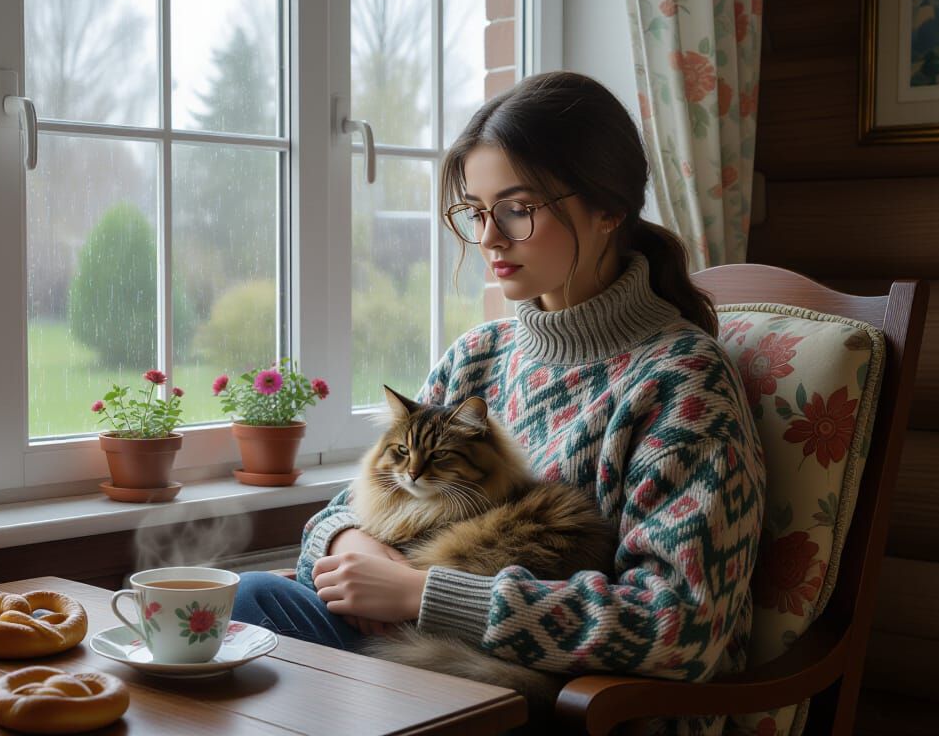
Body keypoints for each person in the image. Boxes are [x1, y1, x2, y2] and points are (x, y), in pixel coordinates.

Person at [232, 71, 765, 733]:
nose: (487, 239)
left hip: (573, 706)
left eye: (516, 209)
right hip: (418, 656)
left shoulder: (682, 381)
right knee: (252, 596)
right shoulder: (477, 354)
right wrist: (353, 547)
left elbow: (679, 624)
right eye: (477, 212)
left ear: (607, 209)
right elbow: (337, 518)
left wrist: (424, 594)